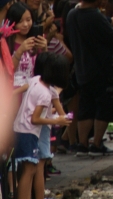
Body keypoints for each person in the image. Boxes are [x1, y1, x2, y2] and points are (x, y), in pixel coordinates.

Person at [64, 0, 113, 157]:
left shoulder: (72, 14)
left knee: (85, 107)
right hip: (101, 69)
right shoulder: (95, 15)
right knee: (104, 106)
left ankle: (81, 145)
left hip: (81, 68)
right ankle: (96, 144)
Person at [11, 53, 70, 199]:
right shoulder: (44, 93)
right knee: (29, 170)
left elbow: (22, 89)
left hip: (21, 128)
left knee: (28, 170)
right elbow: (35, 119)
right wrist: (56, 121)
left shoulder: (36, 80)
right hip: (28, 131)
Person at [5, 2, 47, 88]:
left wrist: (44, 49)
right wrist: (20, 51)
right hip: (13, 93)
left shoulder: (36, 39)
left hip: (33, 92)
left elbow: (44, 68)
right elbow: (7, 72)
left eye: (28, 20)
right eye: (20, 21)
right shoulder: (5, 42)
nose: (25, 24)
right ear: (13, 22)